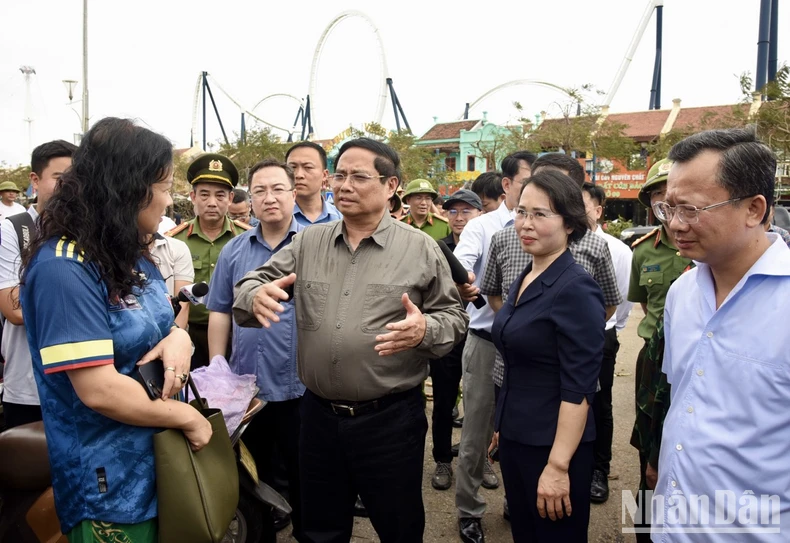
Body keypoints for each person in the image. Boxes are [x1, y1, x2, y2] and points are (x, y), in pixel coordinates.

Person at [232, 137, 468, 542]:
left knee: (399, 525)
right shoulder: (308, 242)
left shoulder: (421, 249)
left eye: (359, 176)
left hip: (390, 420)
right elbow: (253, 282)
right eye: (339, 175)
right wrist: (255, 295)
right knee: (320, 528)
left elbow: (454, 316)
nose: (344, 185)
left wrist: (424, 329)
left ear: (392, 186)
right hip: (319, 418)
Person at [19, 117, 211, 542]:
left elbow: (165, 320)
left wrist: (180, 339)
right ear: (127, 187)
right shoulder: (64, 268)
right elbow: (99, 389)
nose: (168, 199)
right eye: (163, 187)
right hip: (108, 483)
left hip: (158, 462)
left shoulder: (127, 254)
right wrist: (185, 417)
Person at [651, 127, 790, 539]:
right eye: (668, 208)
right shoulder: (683, 291)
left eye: (691, 210)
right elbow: (683, 397)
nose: (676, 224)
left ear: (754, 208)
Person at [490, 170, 604, 542]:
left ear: (570, 223)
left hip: (554, 447)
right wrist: (502, 425)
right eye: (522, 212)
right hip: (517, 437)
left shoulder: (576, 288)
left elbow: (579, 388)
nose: (526, 224)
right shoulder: (528, 272)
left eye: (540, 214)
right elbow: (519, 362)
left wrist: (557, 466)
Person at [206, 159, 306, 542]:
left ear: (293, 195)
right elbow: (218, 310)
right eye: (260, 191)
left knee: (304, 471)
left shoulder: (314, 244)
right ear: (249, 200)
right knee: (254, 471)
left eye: (278, 189)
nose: (269, 198)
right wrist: (219, 366)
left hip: (300, 384)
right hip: (248, 386)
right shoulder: (234, 250)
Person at [454, 152, 534, 543]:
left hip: (533, 350)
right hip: (488, 342)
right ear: (507, 185)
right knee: (476, 433)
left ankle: (516, 502)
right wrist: (468, 281)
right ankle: (469, 509)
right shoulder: (482, 227)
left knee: (524, 431)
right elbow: (461, 265)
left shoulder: (552, 226)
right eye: (527, 181)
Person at [627, 158, 691, 540]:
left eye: (672, 193)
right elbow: (645, 306)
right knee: (647, 452)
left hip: (697, 359)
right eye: (657, 195)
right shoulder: (643, 251)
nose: (665, 202)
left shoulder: (704, 245)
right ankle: (645, 530)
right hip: (653, 358)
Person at [0, 139, 76, 429]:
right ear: (35, 179)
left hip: (81, 385)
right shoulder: (14, 229)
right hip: (27, 386)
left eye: (75, 179)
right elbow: (14, 310)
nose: (69, 187)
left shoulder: (89, 234)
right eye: (59, 178)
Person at [166, 153, 252, 368]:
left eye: (220, 195)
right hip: (188, 333)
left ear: (231, 199)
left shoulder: (247, 239)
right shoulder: (173, 240)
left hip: (235, 333)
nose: (212, 202)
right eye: (204, 195)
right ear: (192, 197)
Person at [581, 182, 633, 503]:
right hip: (562, 336)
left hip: (601, 335)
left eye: (583, 204)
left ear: (598, 211)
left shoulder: (618, 250)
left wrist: (610, 329)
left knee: (601, 404)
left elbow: (623, 301)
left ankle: (600, 469)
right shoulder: (558, 243)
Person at [430, 189, 483, 491]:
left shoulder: (491, 242)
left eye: (467, 211)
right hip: (448, 336)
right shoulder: (438, 248)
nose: (459, 217)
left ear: (479, 214)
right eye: (453, 212)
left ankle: (480, 459)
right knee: (444, 399)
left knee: (480, 403)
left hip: (482, 334)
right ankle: (442, 460)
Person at [285, 141, 342, 226]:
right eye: (292, 167)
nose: (299, 175)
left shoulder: (341, 219)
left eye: (308, 167)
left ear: (324, 175)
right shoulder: (276, 219)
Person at [148, 233, 194, 329]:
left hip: (171, 331)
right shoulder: (112, 249)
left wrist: (175, 339)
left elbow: (183, 303)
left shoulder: (177, 247)